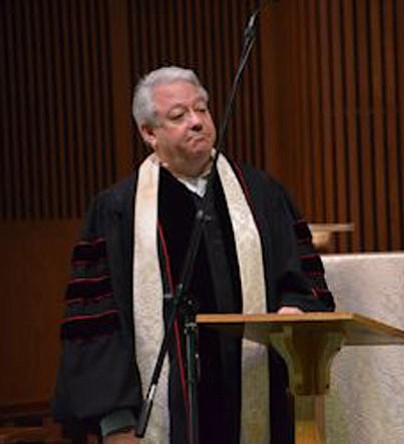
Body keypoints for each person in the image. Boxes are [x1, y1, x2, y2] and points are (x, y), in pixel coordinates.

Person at [52, 65, 335, 444]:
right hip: (158, 422)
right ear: (148, 133)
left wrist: (295, 309)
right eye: (178, 115)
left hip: (260, 405)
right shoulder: (118, 211)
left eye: (201, 109)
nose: (197, 122)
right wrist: (116, 422)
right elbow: (96, 323)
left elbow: (303, 282)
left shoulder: (261, 195)